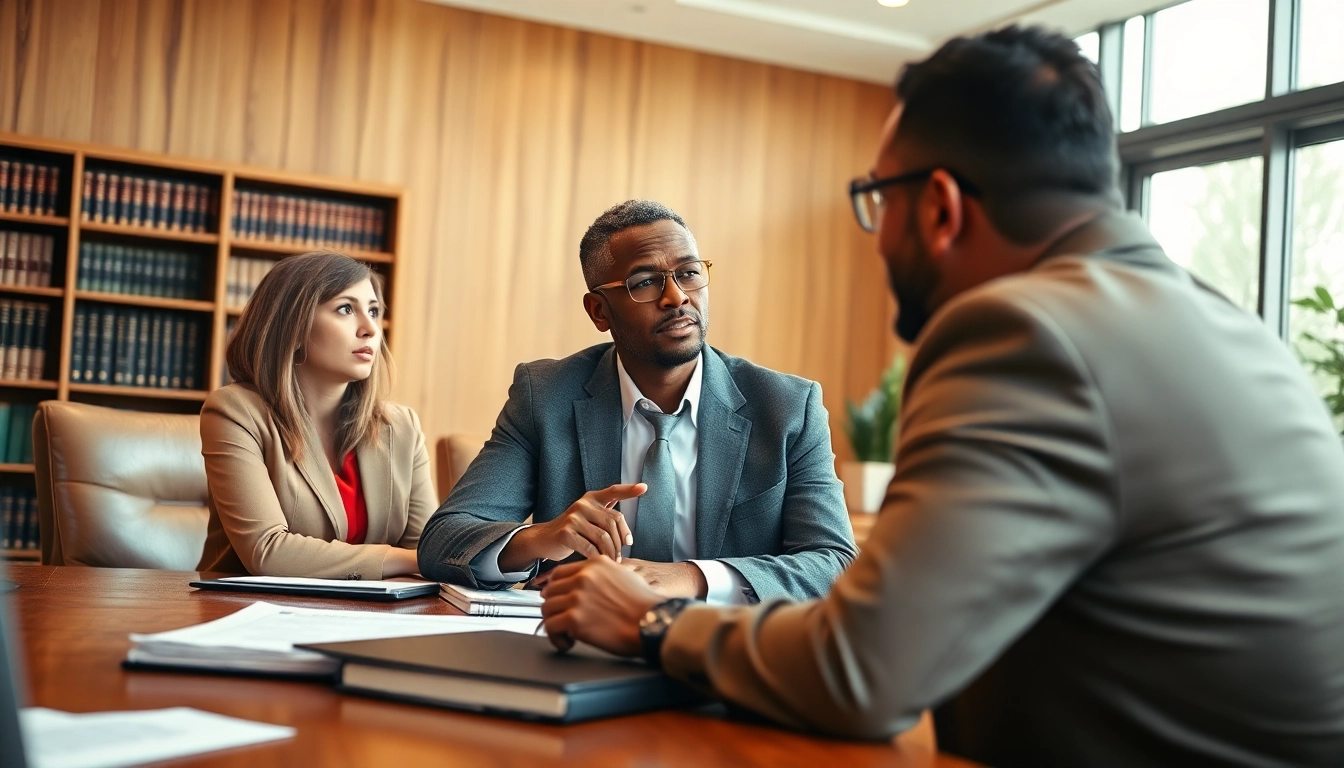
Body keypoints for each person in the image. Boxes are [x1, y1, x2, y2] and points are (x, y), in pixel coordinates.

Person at [535, 26, 1344, 767]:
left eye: (878, 200)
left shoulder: (1022, 333)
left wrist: (647, 620)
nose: (878, 232)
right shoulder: (1232, 327)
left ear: (941, 207)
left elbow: (864, 674)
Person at [417, 200, 857, 604]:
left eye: (688, 273)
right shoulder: (546, 394)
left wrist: (687, 577)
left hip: (722, 654)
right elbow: (444, 540)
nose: (677, 297)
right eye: (645, 282)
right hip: (583, 649)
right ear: (599, 312)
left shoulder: (786, 407)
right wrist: (541, 538)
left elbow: (835, 563)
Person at [198, 251, 435, 578]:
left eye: (374, 311)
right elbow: (267, 552)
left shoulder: (402, 426)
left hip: (372, 620)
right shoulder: (234, 412)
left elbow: (426, 545)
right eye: (346, 309)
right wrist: (408, 560)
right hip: (252, 615)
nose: (370, 329)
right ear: (292, 326)